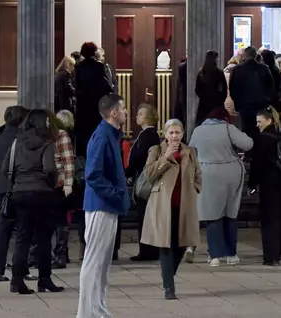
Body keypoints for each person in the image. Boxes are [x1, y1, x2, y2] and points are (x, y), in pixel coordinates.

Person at [76, 94, 130, 318]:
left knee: (102, 263)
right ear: (113, 112)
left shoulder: (109, 134)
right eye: (123, 108)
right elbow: (93, 174)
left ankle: (97, 309)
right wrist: (115, 194)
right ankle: (86, 313)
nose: (126, 112)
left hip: (107, 204)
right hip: (100, 205)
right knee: (94, 261)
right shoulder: (102, 135)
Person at [141, 119, 202, 299]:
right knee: (166, 244)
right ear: (165, 134)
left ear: (182, 134)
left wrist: (196, 188)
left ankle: (168, 276)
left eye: (177, 132)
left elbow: (198, 174)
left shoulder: (190, 152)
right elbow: (149, 174)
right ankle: (169, 287)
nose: (174, 136)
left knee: (182, 243)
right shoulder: (156, 150)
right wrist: (166, 156)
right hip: (163, 205)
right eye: (171, 133)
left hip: (184, 204)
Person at [7, 109, 64, 295]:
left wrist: (19, 181)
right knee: (44, 239)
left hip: (20, 192)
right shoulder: (47, 143)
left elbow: (6, 168)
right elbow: (49, 168)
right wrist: (53, 183)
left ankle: (17, 279)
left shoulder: (17, 142)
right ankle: (44, 279)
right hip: (42, 193)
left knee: (22, 238)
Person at [189, 107, 252, 267]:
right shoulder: (228, 128)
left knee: (212, 213)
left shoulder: (198, 130)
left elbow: (191, 151)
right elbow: (248, 144)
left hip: (207, 173)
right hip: (230, 172)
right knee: (230, 213)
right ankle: (231, 254)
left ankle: (214, 255)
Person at [248, 106, 281, 266]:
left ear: (269, 120)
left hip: (270, 183)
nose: (257, 125)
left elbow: (256, 164)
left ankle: (271, 256)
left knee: (270, 219)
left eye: (260, 121)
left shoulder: (262, 138)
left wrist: (252, 183)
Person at [0, 106, 29, 282]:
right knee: (23, 231)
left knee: (3, 231)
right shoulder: (20, 137)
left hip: (2, 187)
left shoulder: (1, 136)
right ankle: (20, 269)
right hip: (17, 187)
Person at [124, 104, 161, 262]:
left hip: (145, 178)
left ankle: (147, 251)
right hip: (143, 176)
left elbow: (138, 156)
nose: (137, 116)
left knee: (144, 216)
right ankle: (149, 250)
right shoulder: (148, 134)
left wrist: (128, 172)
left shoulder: (148, 135)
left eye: (140, 114)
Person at [74, 42, 114, 156]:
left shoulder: (78, 67)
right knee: (96, 131)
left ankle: (82, 157)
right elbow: (104, 85)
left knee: (83, 134)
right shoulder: (99, 66)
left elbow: (77, 86)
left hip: (83, 105)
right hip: (96, 104)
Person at [229, 47, 275, 140]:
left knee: (245, 131)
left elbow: (232, 88)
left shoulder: (237, 69)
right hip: (260, 105)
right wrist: (267, 101)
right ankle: (259, 148)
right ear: (255, 55)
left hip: (243, 106)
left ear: (245, 55)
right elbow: (271, 87)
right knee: (260, 131)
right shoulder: (264, 68)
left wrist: (237, 102)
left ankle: (248, 148)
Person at [51, 110, 76, 269]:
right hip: (54, 183)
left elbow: (68, 161)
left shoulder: (60, 135)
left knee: (60, 220)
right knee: (60, 220)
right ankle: (60, 253)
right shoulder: (58, 135)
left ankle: (60, 254)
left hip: (59, 183)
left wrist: (68, 183)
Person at [195, 50, 228, 126]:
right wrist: (221, 99)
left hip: (203, 104)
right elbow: (224, 89)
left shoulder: (201, 73)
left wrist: (203, 97)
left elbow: (197, 89)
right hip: (216, 104)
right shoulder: (219, 73)